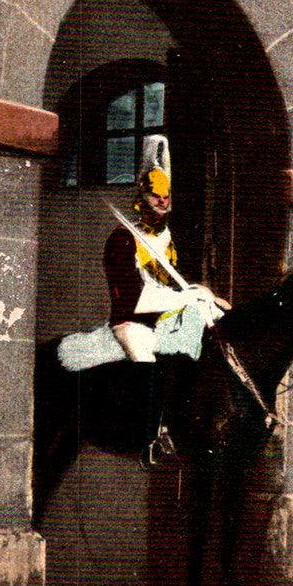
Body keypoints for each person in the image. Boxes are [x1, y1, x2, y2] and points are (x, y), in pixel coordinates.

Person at [57, 135, 227, 459]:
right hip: (132, 321)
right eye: (155, 195)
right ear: (142, 198)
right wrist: (185, 298)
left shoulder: (167, 240)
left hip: (163, 317)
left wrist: (204, 297)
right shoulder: (123, 239)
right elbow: (134, 297)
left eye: (166, 196)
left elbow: (173, 287)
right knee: (147, 359)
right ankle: (149, 440)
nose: (161, 201)